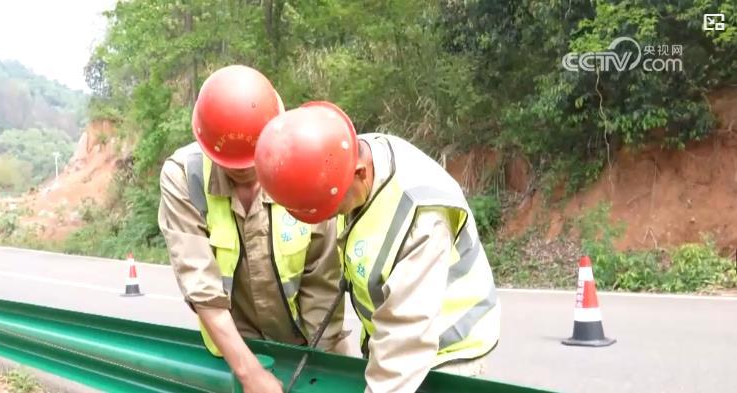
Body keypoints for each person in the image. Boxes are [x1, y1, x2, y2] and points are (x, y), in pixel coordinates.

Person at [253, 101, 501, 393]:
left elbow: (406, 340)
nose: (331, 217)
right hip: (396, 339)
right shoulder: (345, 154)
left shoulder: (421, 217)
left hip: (449, 349)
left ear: (360, 173)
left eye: (332, 209)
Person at [157, 66, 347, 393]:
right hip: (232, 353)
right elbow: (199, 284)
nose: (247, 173)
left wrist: (319, 371)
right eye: (234, 167)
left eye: (254, 162)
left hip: (306, 346)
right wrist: (249, 373)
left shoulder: (306, 165)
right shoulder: (185, 178)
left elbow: (323, 283)